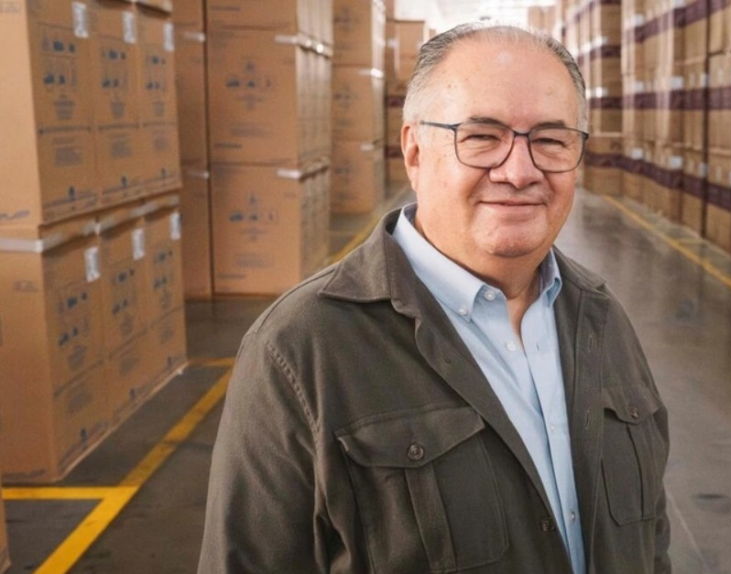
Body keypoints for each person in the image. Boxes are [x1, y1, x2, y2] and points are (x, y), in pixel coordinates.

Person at [199, 22, 670, 574]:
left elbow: (651, 542)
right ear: (415, 151)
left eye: (550, 140)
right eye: (481, 136)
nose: (520, 171)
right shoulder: (301, 351)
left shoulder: (602, 319)